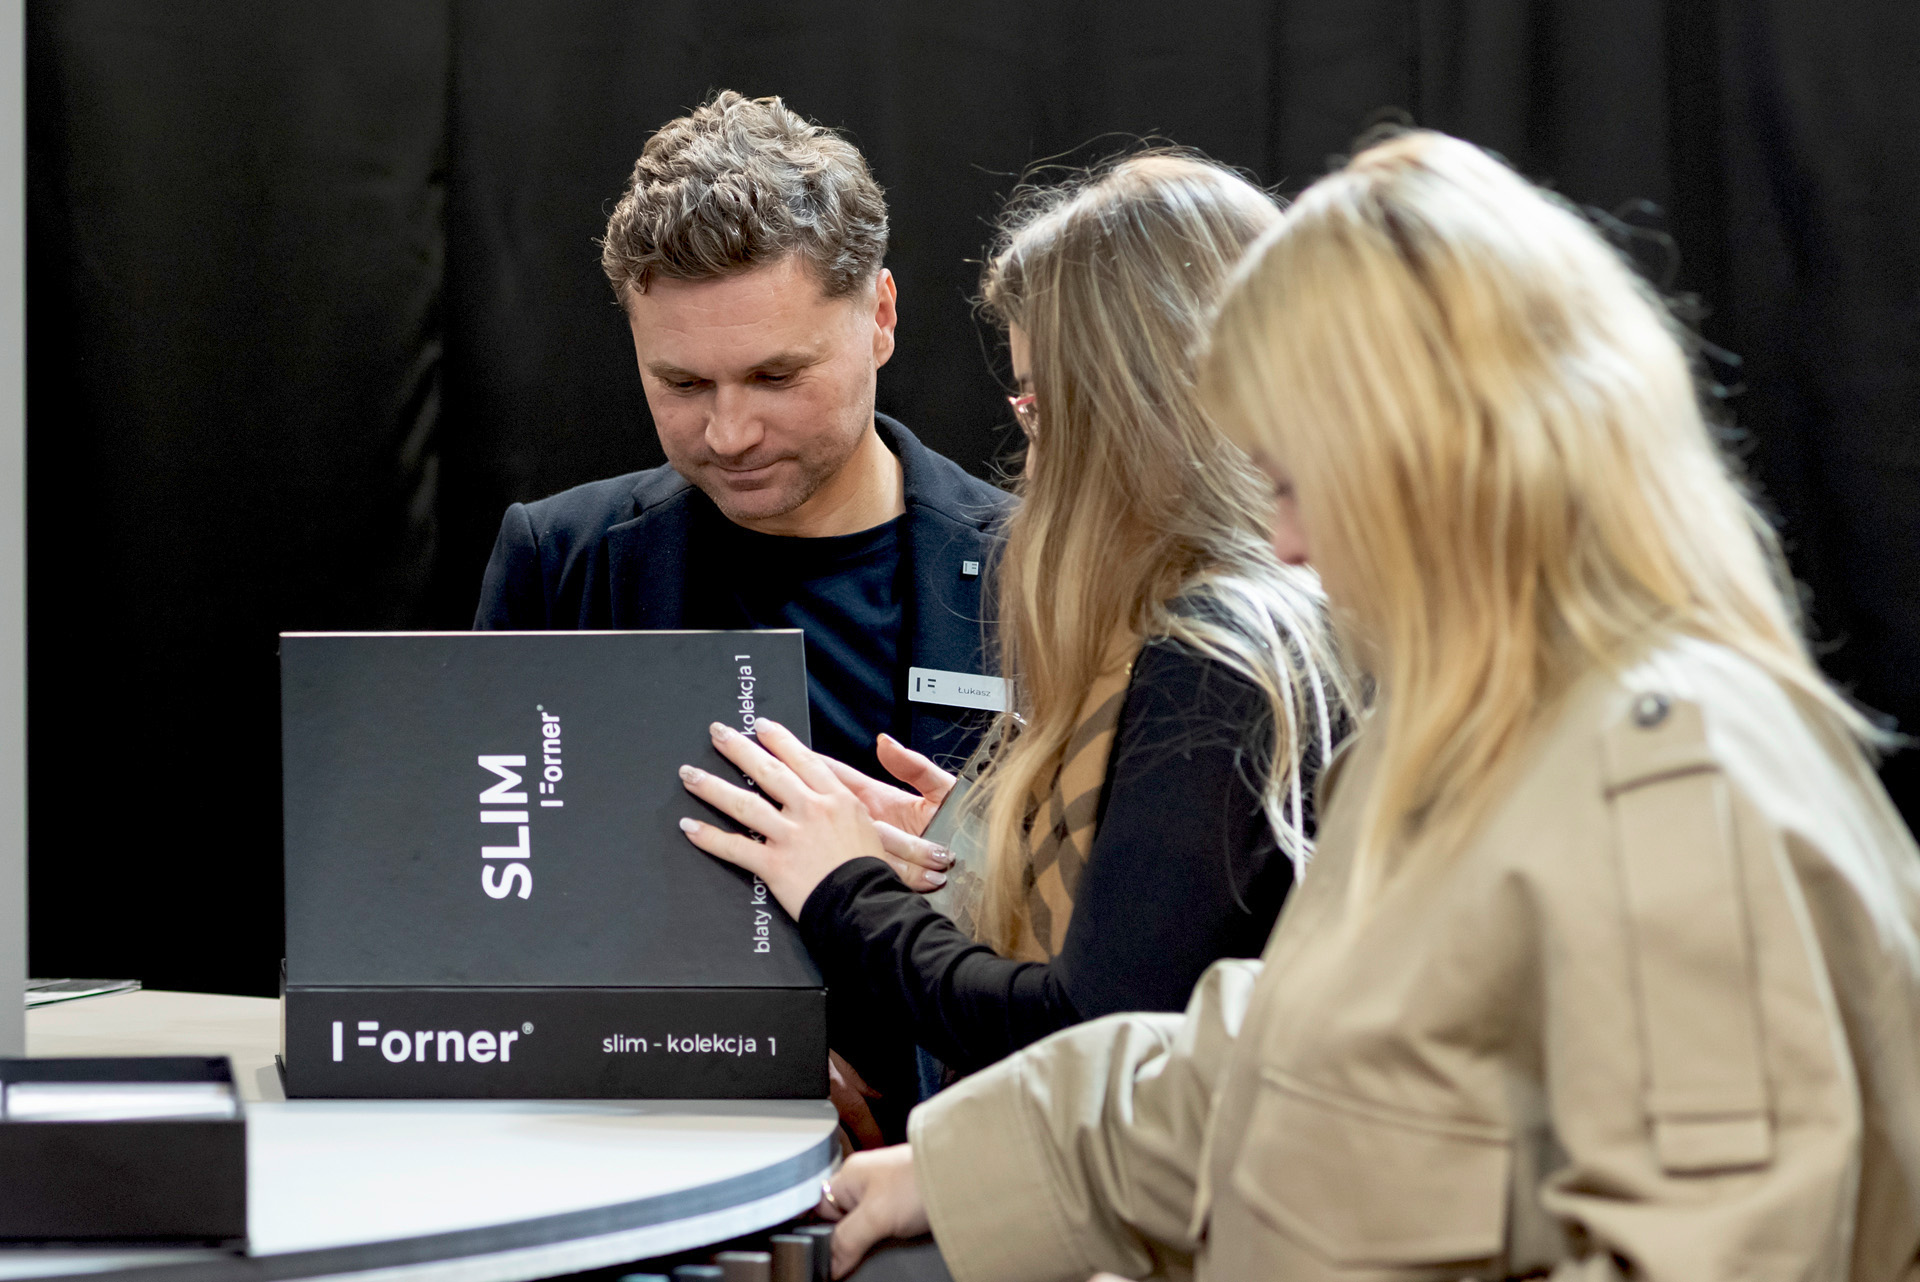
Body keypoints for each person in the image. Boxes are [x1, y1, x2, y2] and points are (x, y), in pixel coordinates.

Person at [813, 131, 1920, 1281]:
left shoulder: (1673, 783)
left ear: (1449, 462)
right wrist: (958, 1169)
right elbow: (1275, 1065)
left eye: (1297, 482)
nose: (1284, 540)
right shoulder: (1476, 740)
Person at [675, 155, 1348, 1087]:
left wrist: (842, 888)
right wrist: (979, 851)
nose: (1030, 465)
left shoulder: (1214, 651)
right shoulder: (1268, 621)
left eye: (1037, 409)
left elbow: (1079, 1044)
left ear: (1128, 407)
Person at [473, 90, 1010, 1142]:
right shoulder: (562, 562)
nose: (727, 433)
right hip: (642, 1151)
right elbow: (489, 914)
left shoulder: (1039, 574)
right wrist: (722, 1048)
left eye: (775, 376)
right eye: (681, 383)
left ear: (881, 317)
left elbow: (1118, 943)